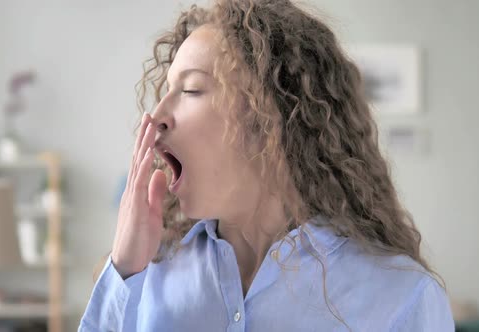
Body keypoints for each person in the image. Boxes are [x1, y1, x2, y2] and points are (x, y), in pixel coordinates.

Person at [79, 0, 454, 331]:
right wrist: (125, 268)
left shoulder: (401, 297)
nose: (156, 116)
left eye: (190, 89)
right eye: (164, 93)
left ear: (273, 115)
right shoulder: (143, 277)